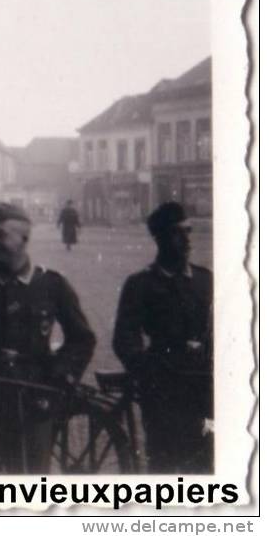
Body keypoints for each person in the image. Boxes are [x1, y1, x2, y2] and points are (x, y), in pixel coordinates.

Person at [0, 202, 96, 473]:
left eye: (0, 234)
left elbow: (82, 339)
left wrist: (60, 376)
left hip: (34, 402)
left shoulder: (51, 285)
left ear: (24, 238)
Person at [113, 201, 213, 473]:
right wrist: (149, 373)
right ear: (160, 239)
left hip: (204, 389)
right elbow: (124, 337)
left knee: (208, 457)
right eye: (177, 233)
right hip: (164, 392)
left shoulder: (205, 281)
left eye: (188, 231)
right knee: (165, 461)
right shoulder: (141, 284)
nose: (186, 239)